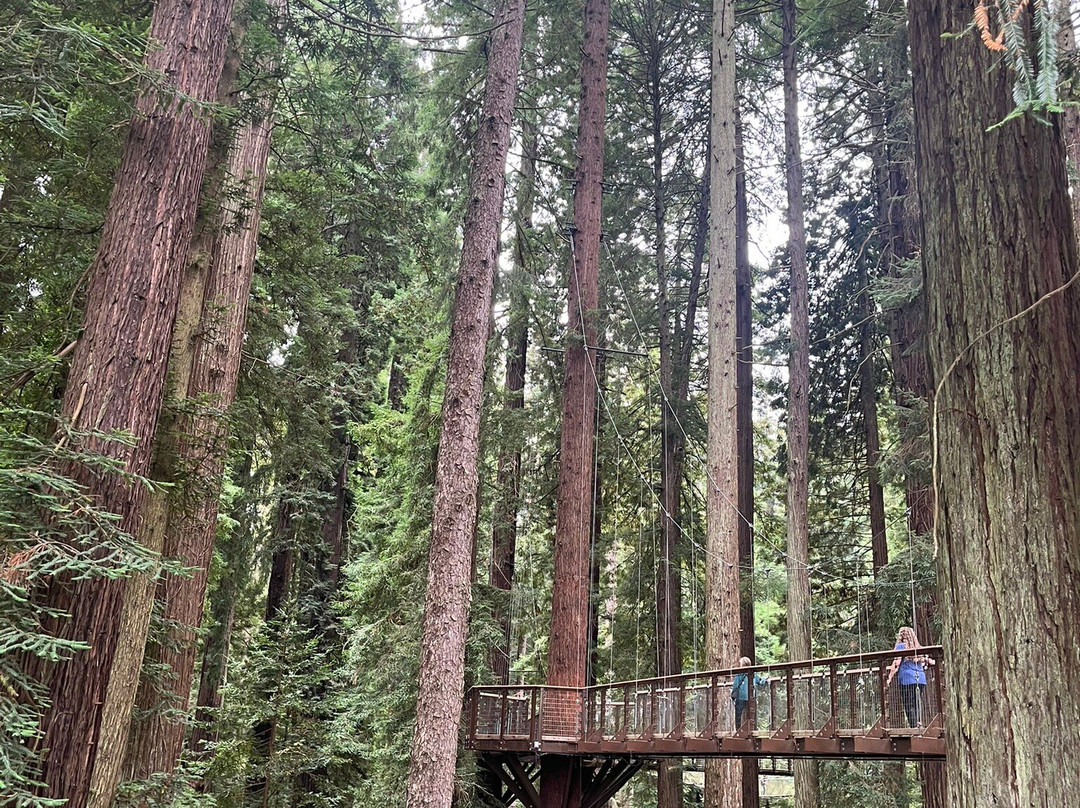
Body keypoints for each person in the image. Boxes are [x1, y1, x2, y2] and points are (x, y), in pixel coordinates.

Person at [885, 626, 933, 727]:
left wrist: (889, 678)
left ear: (901, 635)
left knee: (908, 704)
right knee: (916, 703)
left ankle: (914, 727)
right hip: (920, 678)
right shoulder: (918, 647)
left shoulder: (901, 647)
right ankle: (918, 724)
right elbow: (929, 661)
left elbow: (896, 664)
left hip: (907, 678)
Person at [730, 657, 767, 730]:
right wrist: (765, 679)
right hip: (750, 698)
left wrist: (732, 694)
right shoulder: (753, 674)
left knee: (738, 716)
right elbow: (760, 681)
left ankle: (738, 730)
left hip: (740, 697)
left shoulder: (739, 675)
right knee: (750, 715)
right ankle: (751, 729)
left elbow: (735, 686)